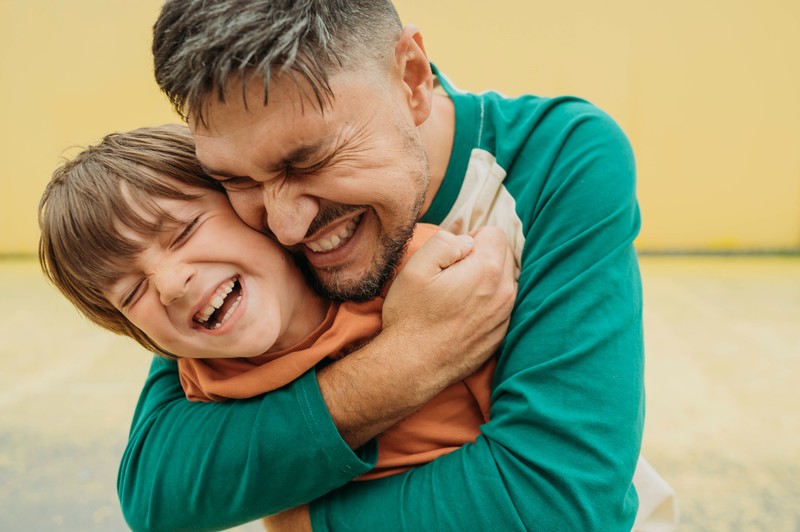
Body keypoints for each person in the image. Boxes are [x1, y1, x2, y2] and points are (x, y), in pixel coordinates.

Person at [117, 0, 655, 530]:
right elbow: (157, 488)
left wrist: (304, 524)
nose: (284, 227)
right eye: (237, 179)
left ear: (413, 78)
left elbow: (560, 504)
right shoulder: (246, 219)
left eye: (309, 160)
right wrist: (409, 361)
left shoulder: (558, 157)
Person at [38, 124, 496, 488]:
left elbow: (538, 454)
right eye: (132, 293)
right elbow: (155, 496)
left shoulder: (423, 275)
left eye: (182, 232)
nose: (172, 285)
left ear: (248, 204)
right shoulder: (202, 386)